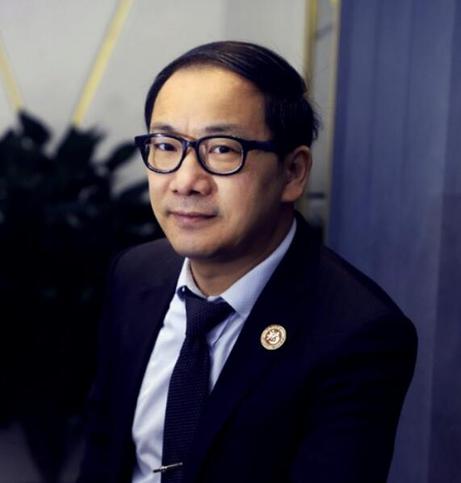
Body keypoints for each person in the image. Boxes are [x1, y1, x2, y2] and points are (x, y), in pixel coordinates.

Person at [77, 41, 417, 483]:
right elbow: (104, 453)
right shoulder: (134, 274)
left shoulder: (358, 333)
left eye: (222, 149)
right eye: (166, 145)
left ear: (293, 172)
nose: (185, 181)